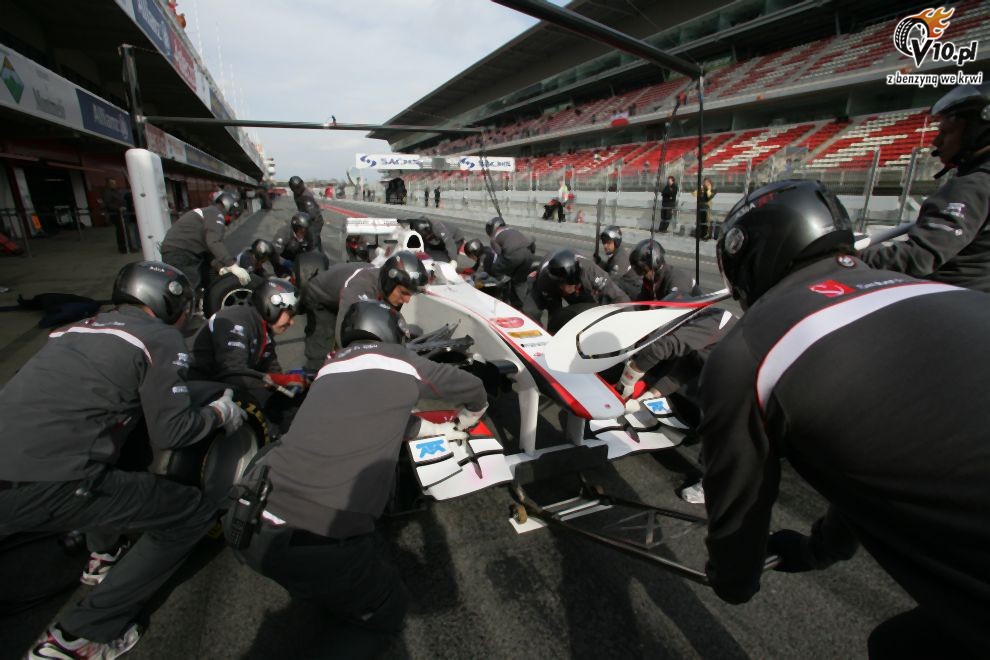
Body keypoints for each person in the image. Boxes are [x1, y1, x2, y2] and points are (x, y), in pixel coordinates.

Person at [698, 179, 990, 655]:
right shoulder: (933, 287)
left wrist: (735, 578)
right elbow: (888, 446)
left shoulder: (748, 350)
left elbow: (736, 518)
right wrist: (823, 547)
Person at [0, 261, 246, 659]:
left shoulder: (73, 329)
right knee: (192, 514)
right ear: (167, 301)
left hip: (16, 466)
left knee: (111, 462)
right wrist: (218, 413)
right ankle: (81, 636)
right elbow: (173, 432)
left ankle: (103, 554)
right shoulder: (159, 338)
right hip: (49, 480)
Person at [230, 300, 488, 655]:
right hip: (313, 540)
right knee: (387, 611)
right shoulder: (402, 360)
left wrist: (429, 428)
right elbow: (472, 387)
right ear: (392, 333)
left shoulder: (330, 367)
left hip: (247, 516)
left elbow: (376, 416)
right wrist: (470, 416)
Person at [860, 84, 990, 293]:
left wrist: (849, 259)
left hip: (947, 300)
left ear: (977, 132)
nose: (937, 141)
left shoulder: (973, 186)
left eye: (946, 132)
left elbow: (919, 258)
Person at [189, 278, 304, 425]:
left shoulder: (263, 332)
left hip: (216, 389)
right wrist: (280, 380)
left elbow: (273, 372)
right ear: (272, 305)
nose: (292, 322)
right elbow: (233, 374)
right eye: (290, 314)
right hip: (195, 388)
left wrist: (296, 381)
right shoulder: (236, 318)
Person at [161, 191, 248, 298]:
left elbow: (207, 250)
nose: (231, 220)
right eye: (232, 215)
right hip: (181, 252)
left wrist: (220, 267)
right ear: (228, 207)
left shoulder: (208, 212)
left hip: (178, 250)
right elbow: (214, 242)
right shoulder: (216, 214)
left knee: (201, 281)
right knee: (191, 288)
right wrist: (232, 265)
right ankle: (192, 307)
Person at [334, 251, 430, 349]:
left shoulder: (387, 285)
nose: (407, 300)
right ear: (389, 283)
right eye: (403, 292)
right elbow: (344, 337)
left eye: (410, 294)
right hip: (327, 301)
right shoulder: (360, 286)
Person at [529, 249, 630, 333]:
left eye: (566, 284)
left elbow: (619, 296)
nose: (563, 288)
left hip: (582, 283)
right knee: (540, 315)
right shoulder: (545, 281)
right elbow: (555, 314)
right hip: (547, 285)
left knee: (591, 310)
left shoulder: (591, 272)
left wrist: (631, 325)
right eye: (561, 285)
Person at [296, 261, 373, 371]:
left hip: (337, 289)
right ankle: (315, 373)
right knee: (321, 343)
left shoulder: (382, 280)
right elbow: (342, 330)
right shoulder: (358, 291)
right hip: (318, 295)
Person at [486, 216, 536, 310]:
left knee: (495, 270)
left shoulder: (494, 239)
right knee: (519, 282)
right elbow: (531, 240)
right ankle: (524, 307)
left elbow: (498, 255)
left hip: (513, 255)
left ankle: (502, 294)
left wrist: (496, 270)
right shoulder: (513, 230)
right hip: (528, 254)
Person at [628, 238, 693, 300]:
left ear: (655, 263)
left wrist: (657, 306)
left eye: (643, 270)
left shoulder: (677, 278)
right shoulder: (650, 281)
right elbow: (642, 302)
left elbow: (677, 304)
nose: (642, 275)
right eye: (639, 271)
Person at [594, 225, 641, 298]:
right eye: (604, 242)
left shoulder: (620, 258)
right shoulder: (616, 253)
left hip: (634, 291)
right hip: (626, 285)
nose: (605, 246)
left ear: (616, 242)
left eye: (608, 242)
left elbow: (609, 280)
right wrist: (599, 262)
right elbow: (608, 268)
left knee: (611, 284)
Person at [103, 177, 135, 254]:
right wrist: (118, 208)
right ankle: (124, 248)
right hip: (117, 214)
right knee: (122, 231)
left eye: (114, 183)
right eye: (112, 183)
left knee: (124, 231)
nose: (114, 184)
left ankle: (127, 247)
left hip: (122, 213)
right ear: (108, 184)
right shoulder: (107, 192)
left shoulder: (115, 191)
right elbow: (108, 204)